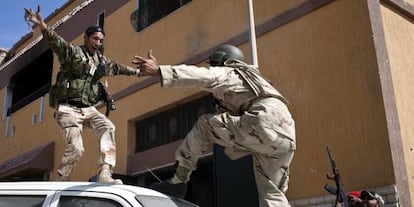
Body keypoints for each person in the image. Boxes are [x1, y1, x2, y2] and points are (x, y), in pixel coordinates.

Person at [132, 44, 296, 206]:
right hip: (286, 135)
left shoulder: (231, 72)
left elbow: (199, 75)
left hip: (262, 123)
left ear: (222, 60)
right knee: (272, 193)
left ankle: (178, 181)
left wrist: (159, 71)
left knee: (205, 125)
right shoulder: (256, 79)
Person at [24, 6, 141, 184]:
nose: (98, 43)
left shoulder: (101, 61)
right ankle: (60, 180)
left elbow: (118, 68)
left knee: (108, 127)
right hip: (68, 109)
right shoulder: (73, 54)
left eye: (101, 40)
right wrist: (42, 24)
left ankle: (105, 173)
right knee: (77, 149)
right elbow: (56, 42)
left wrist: (139, 73)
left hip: (88, 109)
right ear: (85, 38)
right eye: (95, 39)